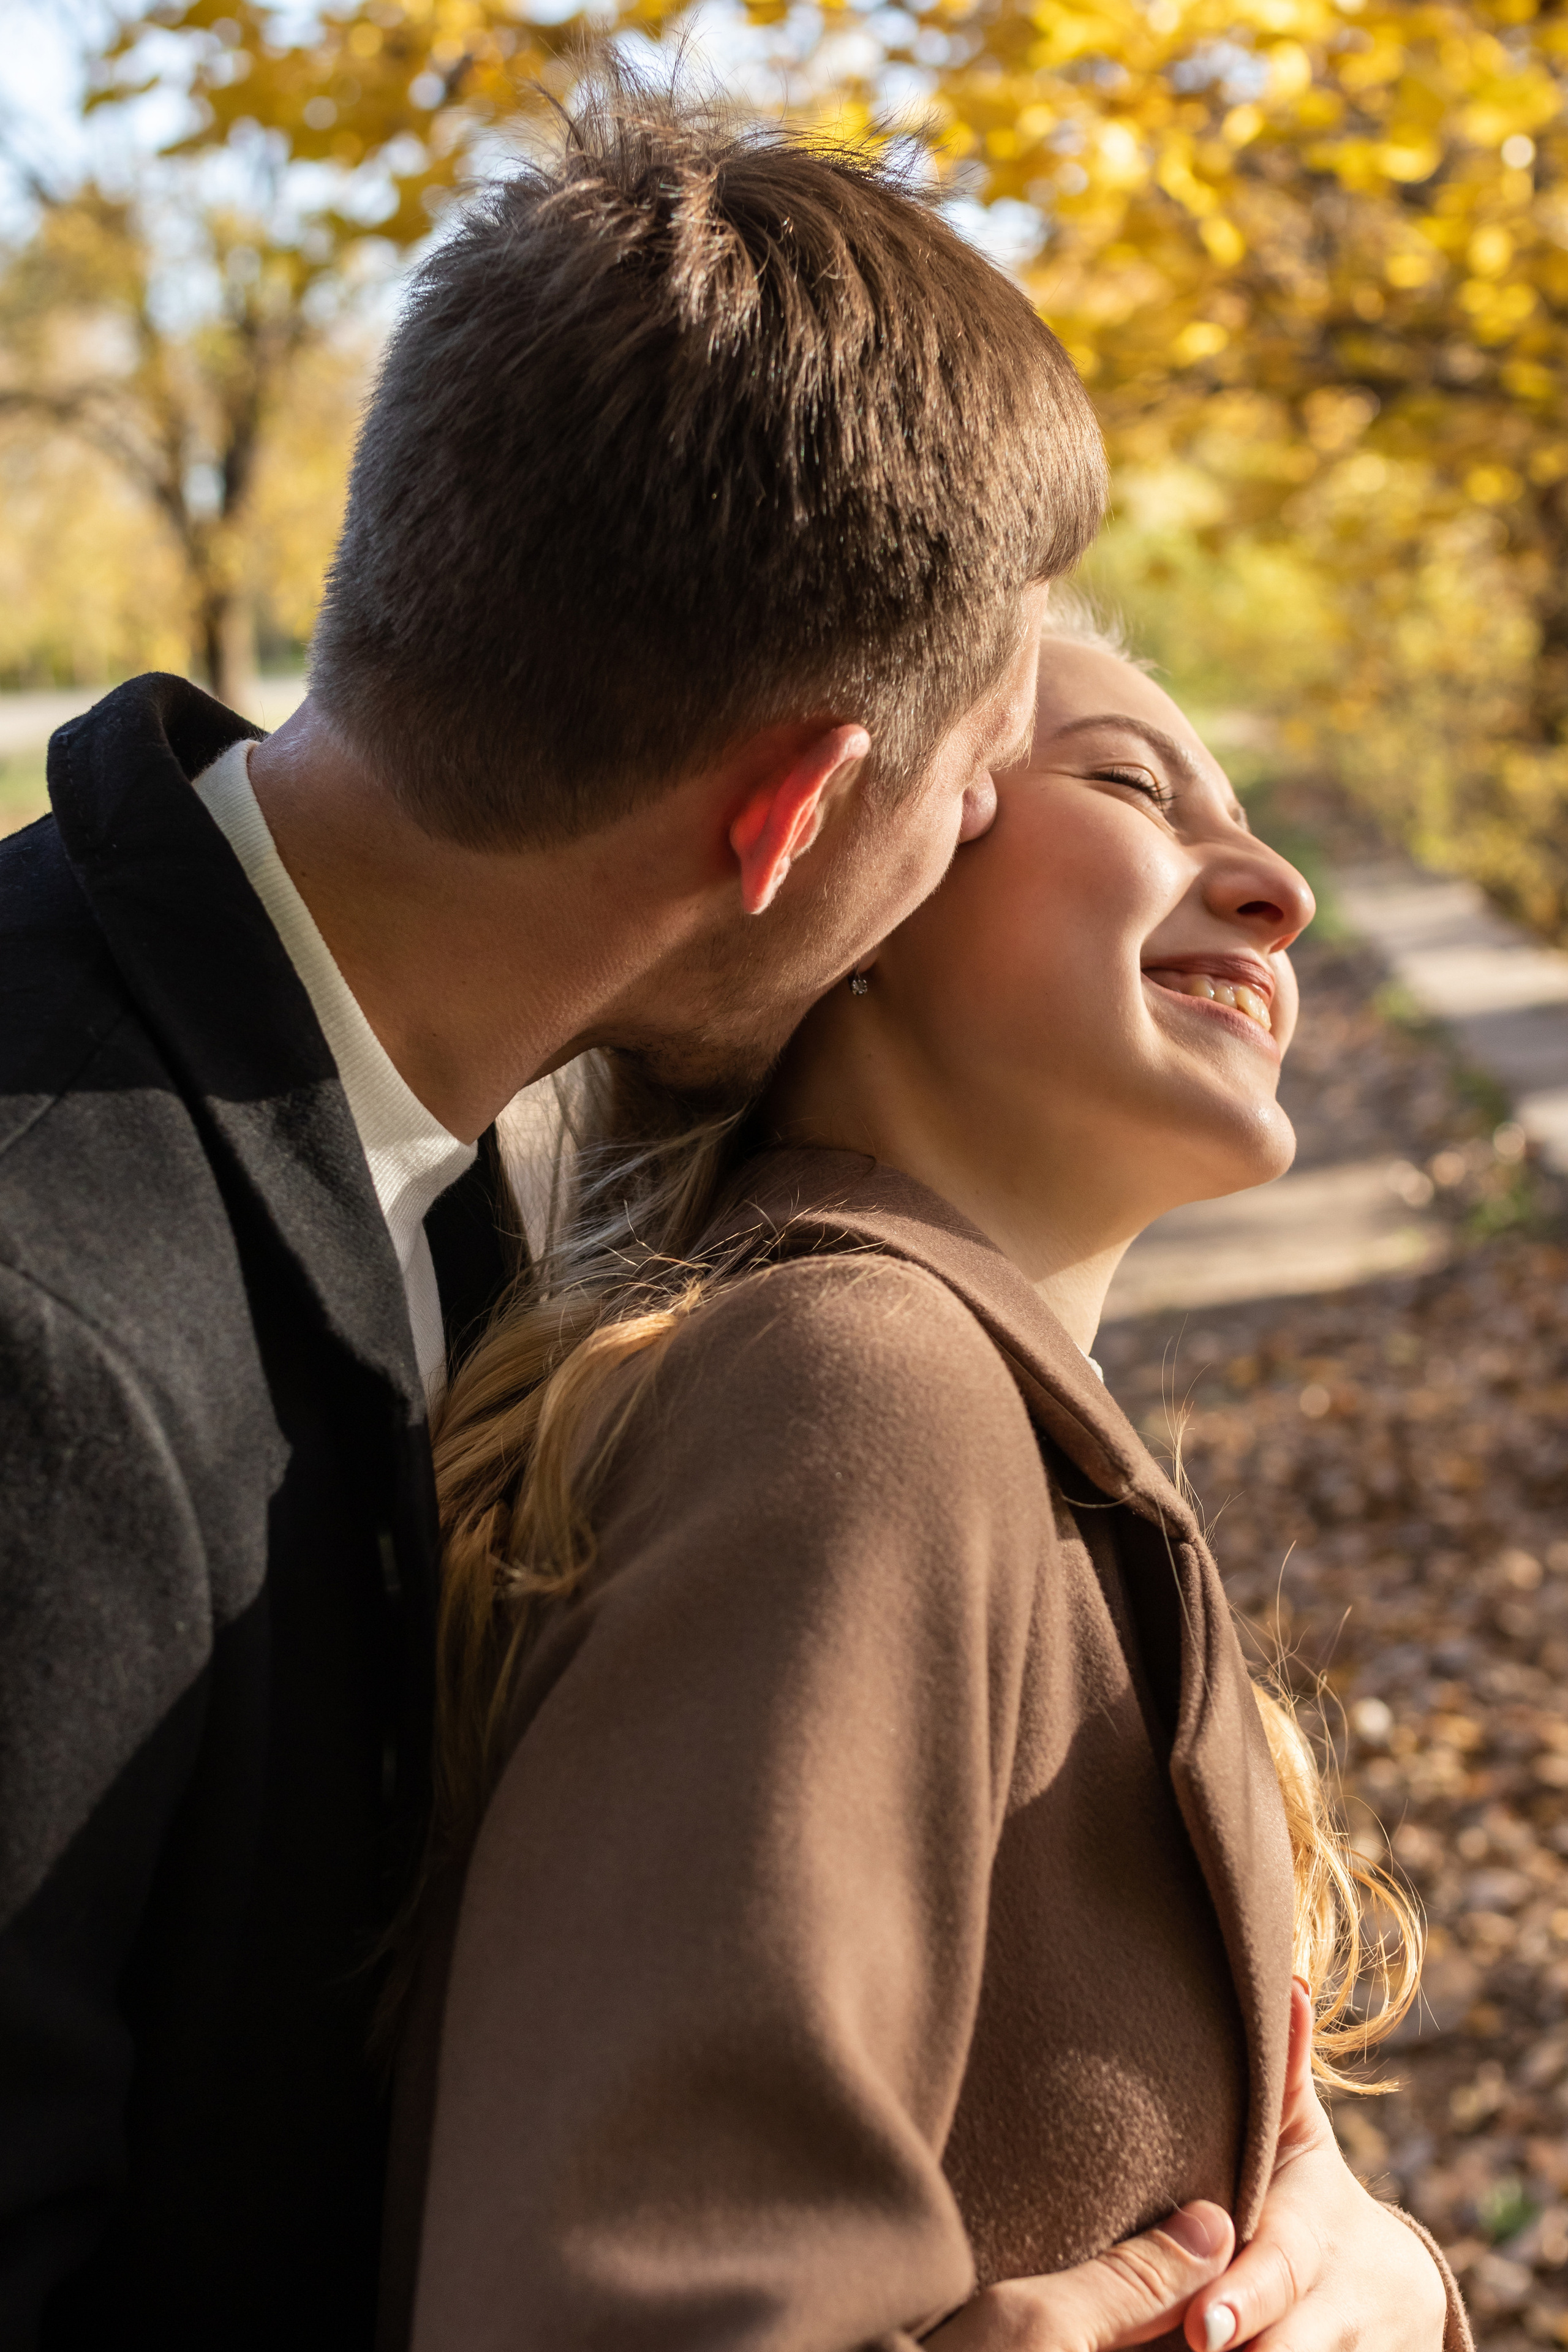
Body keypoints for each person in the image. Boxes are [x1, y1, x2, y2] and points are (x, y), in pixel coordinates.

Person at [0, 81, 1107, 2352]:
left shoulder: (495, 1144)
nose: (969, 850)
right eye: (976, 786)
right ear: (792, 811)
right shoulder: (45, 1341)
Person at [387, 616, 1472, 2351]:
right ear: (867, 876)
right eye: (1132, 785)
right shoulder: (849, 1389)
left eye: (1245, 814)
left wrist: (1386, 2280)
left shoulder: (982, 1425)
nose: (1280, 886)